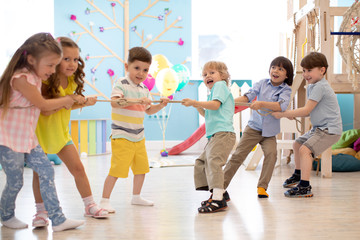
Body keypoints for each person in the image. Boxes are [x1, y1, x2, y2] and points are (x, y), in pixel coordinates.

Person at [0, 32, 84, 231]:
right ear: (31, 59)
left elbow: (45, 107)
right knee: (15, 180)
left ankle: (58, 219)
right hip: (9, 138)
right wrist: (69, 99)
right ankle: (6, 215)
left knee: (46, 170)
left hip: (28, 138)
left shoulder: (36, 76)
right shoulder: (21, 79)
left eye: (55, 65)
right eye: (50, 65)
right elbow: (43, 105)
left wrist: (70, 100)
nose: (53, 70)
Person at [31, 37, 108, 228]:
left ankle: (89, 205)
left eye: (75, 59)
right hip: (39, 135)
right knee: (39, 175)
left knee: (78, 169)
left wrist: (82, 102)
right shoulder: (46, 81)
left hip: (61, 134)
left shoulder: (73, 80)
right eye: (67, 59)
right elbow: (46, 109)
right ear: (55, 59)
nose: (72, 64)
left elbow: (65, 106)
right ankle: (41, 213)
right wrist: (70, 99)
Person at [99, 47, 169, 212]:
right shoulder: (121, 83)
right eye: (136, 68)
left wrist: (161, 105)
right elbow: (115, 102)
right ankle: (104, 200)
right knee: (117, 170)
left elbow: (149, 110)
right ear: (127, 66)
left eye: (145, 70)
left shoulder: (145, 89)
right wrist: (137, 100)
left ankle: (136, 197)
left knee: (141, 169)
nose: (141, 73)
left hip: (138, 136)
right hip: (122, 135)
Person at [272, 52, 342, 198]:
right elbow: (308, 112)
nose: (305, 74)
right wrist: (292, 114)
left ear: (322, 70)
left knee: (305, 150)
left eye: (309, 70)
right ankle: (298, 175)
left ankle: (304, 186)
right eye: (304, 70)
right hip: (319, 129)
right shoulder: (312, 86)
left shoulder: (320, 86)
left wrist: (285, 114)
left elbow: (306, 110)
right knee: (298, 144)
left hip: (329, 129)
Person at [223, 56, 293, 199]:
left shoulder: (286, 90)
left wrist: (261, 104)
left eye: (281, 69)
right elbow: (247, 97)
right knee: (237, 156)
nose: (276, 71)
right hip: (253, 129)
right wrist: (228, 102)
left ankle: (262, 187)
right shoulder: (261, 83)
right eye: (273, 67)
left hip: (269, 133)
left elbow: (281, 106)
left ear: (287, 75)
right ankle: (221, 186)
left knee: (271, 155)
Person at [182, 61, 236, 213]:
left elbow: (215, 106)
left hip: (223, 133)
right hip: (215, 135)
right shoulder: (213, 92)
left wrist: (196, 102)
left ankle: (218, 199)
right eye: (205, 74)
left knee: (213, 162)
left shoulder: (220, 86)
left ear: (223, 75)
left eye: (212, 73)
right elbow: (208, 114)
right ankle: (220, 193)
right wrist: (197, 105)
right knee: (201, 162)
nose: (207, 76)